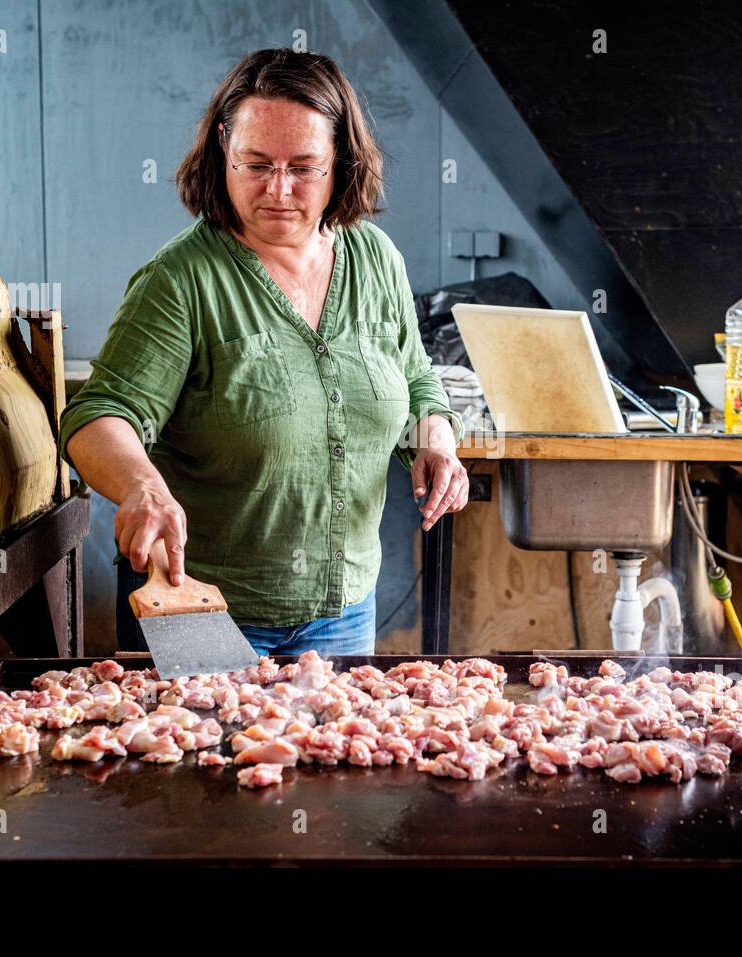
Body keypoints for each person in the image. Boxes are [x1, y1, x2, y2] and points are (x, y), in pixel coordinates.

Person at [60, 48, 467, 656]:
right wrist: (142, 485)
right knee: (201, 750)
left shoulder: (376, 260)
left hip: (346, 612)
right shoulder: (182, 280)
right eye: (255, 164)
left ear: (342, 165)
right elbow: (98, 415)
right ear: (223, 150)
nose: (278, 190)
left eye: (304, 167)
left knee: (331, 751)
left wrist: (435, 441)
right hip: (201, 607)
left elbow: (416, 380)